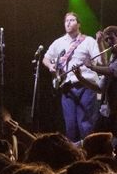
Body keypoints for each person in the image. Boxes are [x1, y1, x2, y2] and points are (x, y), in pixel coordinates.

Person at [43, 12, 102, 143]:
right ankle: (73, 151)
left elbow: (99, 60)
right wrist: (50, 66)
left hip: (86, 85)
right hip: (67, 86)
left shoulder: (88, 41)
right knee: (70, 124)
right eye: (66, 21)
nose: (68, 23)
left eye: (72, 20)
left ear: (79, 24)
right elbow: (46, 58)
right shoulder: (59, 42)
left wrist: (92, 62)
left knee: (85, 123)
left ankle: (87, 150)